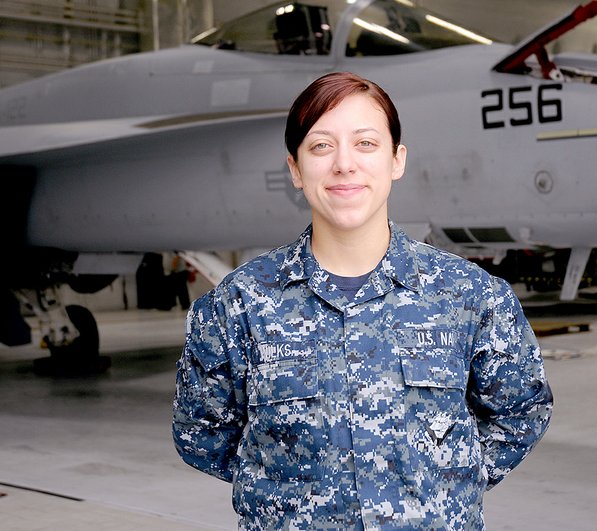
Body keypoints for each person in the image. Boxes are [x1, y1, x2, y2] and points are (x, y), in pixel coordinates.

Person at [172, 72, 553, 530]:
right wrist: (288, 496)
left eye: (366, 144)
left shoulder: (471, 297)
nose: (344, 165)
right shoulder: (238, 306)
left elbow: (522, 411)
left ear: (397, 160)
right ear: (294, 168)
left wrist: (448, 486)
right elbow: (201, 435)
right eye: (320, 146)